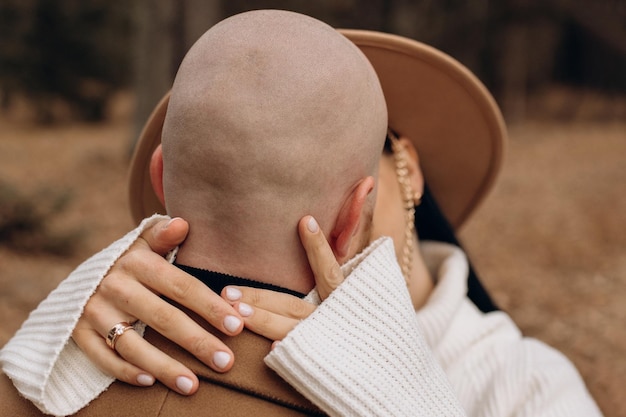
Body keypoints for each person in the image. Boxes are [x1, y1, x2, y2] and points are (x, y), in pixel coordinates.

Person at [0, 9, 603, 417]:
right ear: (353, 218)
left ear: (407, 168)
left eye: (343, 148)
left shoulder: (527, 382)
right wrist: (67, 318)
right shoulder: (152, 325)